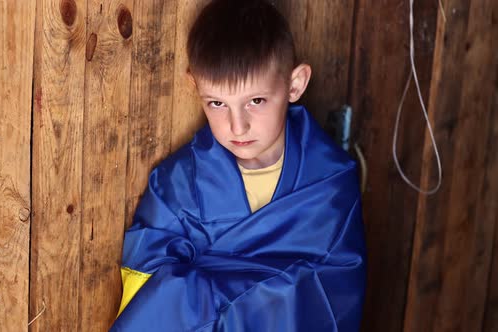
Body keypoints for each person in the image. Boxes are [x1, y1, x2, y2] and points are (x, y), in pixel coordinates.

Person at [110, 0, 367, 331]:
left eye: (255, 101)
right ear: (195, 87)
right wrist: (270, 295)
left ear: (295, 84)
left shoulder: (330, 181)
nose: (237, 126)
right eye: (217, 103)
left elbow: (338, 291)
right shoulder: (176, 184)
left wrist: (215, 292)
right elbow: (144, 289)